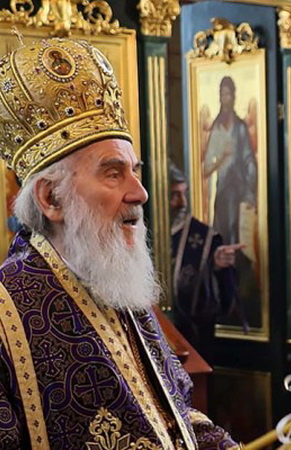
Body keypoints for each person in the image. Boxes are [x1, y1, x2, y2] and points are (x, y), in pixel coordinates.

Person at [0, 38, 237, 448]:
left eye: (135, 171)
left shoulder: (119, 289)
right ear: (51, 198)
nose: (140, 193)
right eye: (113, 173)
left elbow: (177, 418)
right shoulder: (6, 314)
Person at [169, 163, 247, 361]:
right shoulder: (137, 232)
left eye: (184, 193)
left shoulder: (204, 238)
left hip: (194, 342)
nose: (182, 203)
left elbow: (222, 302)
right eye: (174, 195)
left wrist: (218, 268)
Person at [202, 76, 257, 246]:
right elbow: (206, 169)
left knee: (235, 231)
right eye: (222, 94)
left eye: (228, 94)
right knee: (220, 231)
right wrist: (222, 157)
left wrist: (250, 191)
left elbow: (249, 159)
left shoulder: (240, 127)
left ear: (233, 96)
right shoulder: (217, 128)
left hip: (238, 188)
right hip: (222, 189)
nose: (225, 98)